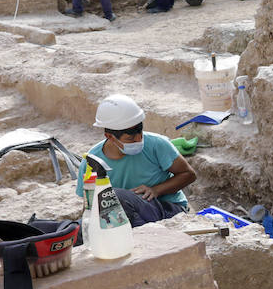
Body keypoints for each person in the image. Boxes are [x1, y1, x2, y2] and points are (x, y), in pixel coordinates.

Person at [76, 94, 195, 226]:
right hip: (123, 215)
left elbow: (188, 174)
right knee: (76, 229)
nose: (139, 141)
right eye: (131, 139)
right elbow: (89, 205)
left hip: (167, 210)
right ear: (110, 136)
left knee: (114, 196)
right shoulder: (92, 161)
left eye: (141, 135)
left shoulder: (156, 144)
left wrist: (156, 190)